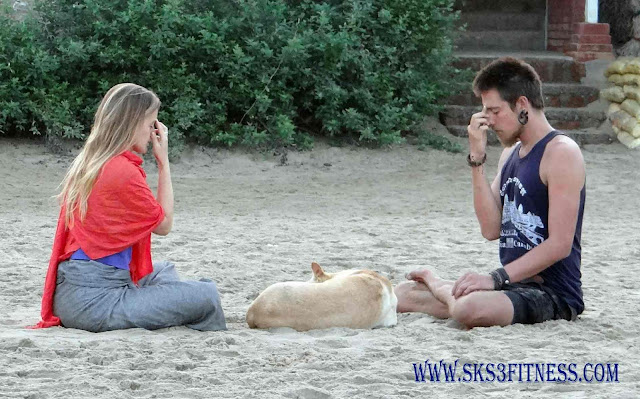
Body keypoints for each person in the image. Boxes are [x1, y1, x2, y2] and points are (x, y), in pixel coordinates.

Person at [395, 57, 586, 328]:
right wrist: (477, 158)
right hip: (509, 286)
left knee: (468, 309)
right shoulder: (510, 154)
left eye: (495, 111)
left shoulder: (561, 153)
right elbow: (490, 228)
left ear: (522, 105)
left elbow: (560, 244)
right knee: (404, 294)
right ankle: (448, 292)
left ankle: (436, 283)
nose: (489, 121)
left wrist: (494, 279)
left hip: (552, 294)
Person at [31, 83, 226, 332]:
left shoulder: (91, 161)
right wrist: (163, 163)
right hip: (95, 302)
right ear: (132, 124)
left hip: (75, 289)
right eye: (149, 124)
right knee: (206, 296)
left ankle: (156, 305)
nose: (152, 132)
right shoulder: (122, 171)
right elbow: (164, 225)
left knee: (164, 271)